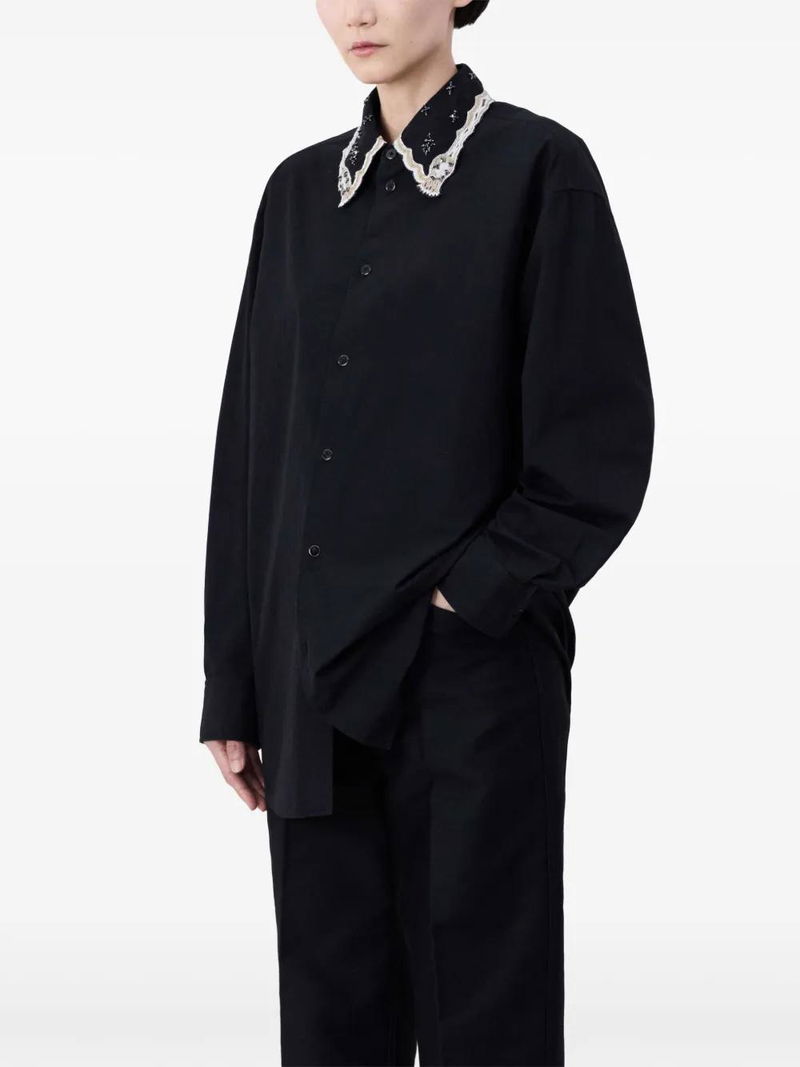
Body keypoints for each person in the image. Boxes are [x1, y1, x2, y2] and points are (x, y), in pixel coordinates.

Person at [199, 0, 655, 1063]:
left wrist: (468, 600)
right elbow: (251, 450)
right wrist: (235, 678)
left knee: (483, 1024)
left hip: (469, 686)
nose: (357, 11)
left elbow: (595, 447)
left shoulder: (540, 170)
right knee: (330, 1028)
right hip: (310, 684)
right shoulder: (296, 194)